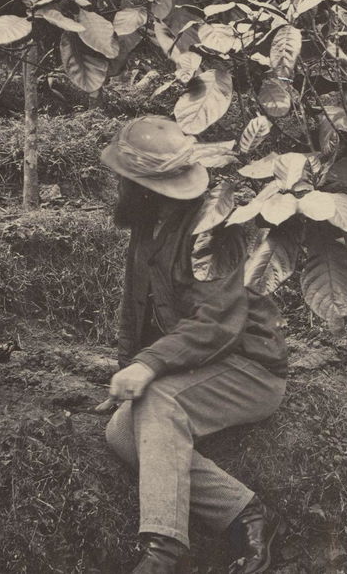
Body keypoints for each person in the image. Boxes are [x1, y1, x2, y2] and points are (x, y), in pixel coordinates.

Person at [101, 115, 289, 574]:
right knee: (122, 433)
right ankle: (243, 513)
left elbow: (217, 326)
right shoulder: (149, 222)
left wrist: (149, 368)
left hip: (249, 368)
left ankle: (164, 548)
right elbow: (138, 306)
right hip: (195, 367)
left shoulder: (213, 226)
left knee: (160, 402)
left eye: (128, 180)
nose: (121, 187)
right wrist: (130, 369)